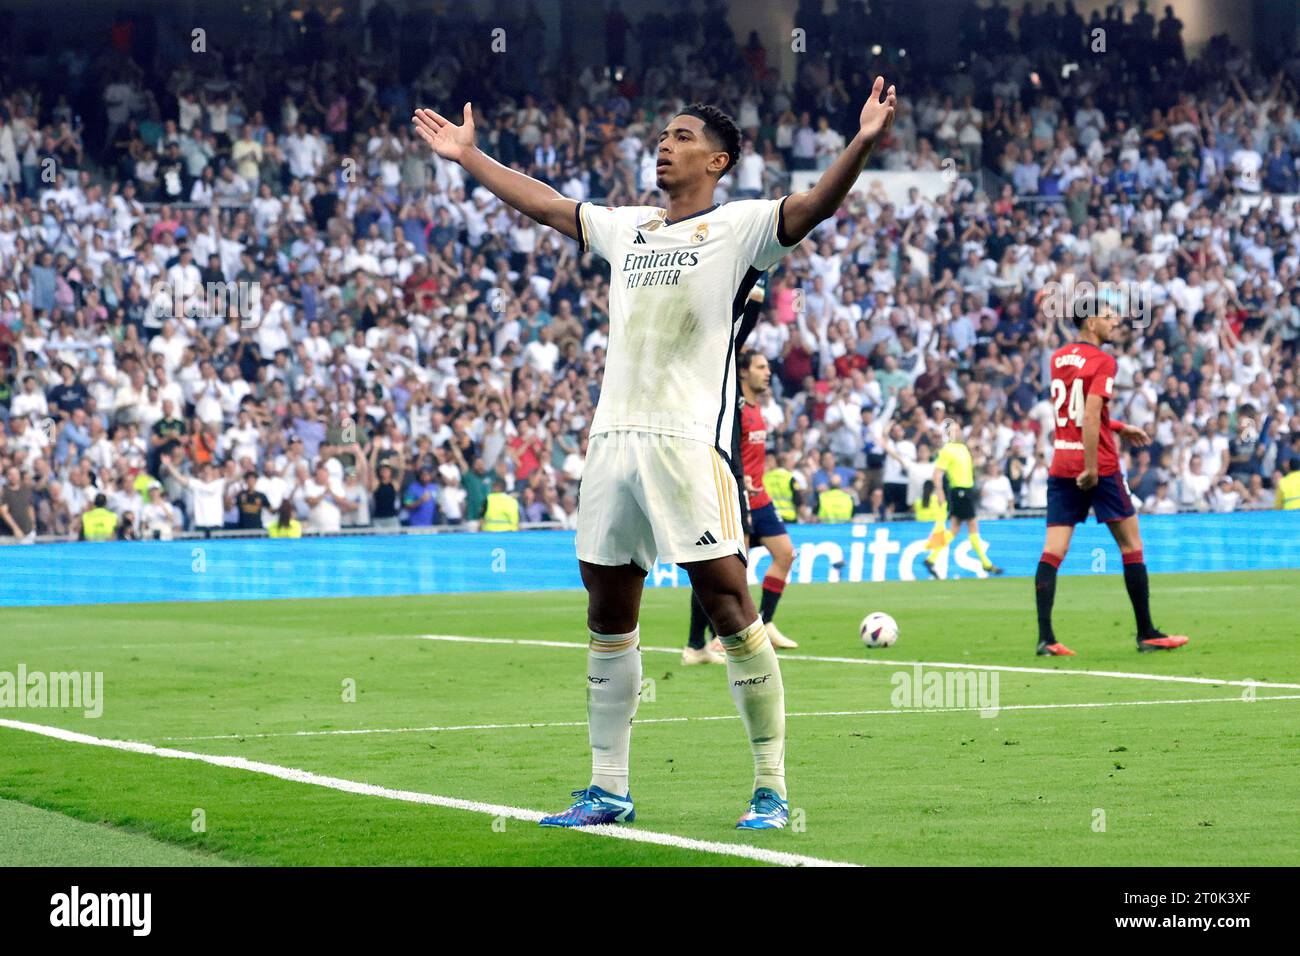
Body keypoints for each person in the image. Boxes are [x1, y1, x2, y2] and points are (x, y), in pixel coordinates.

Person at [413, 74, 897, 831]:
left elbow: (814, 207)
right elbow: (548, 204)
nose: (664, 146)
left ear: (718, 161)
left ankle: (770, 788)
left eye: (682, 138)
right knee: (608, 613)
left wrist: (861, 143)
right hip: (612, 442)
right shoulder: (629, 228)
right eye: (663, 136)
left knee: (730, 604)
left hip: (687, 444)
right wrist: (471, 157)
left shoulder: (740, 227)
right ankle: (608, 788)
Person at [1035, 295, 1189, 656]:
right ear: (1091, 323)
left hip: (1062, 463)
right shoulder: (1104, 361)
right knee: (1131, 546)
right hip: (1099, 466)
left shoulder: (1058, 358)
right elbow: (1089, 415)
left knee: (1053, 551)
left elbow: (1072, 411)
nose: (1115, 321)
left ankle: (1046, 638)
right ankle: (1146, 633)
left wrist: (1117, 426)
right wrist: (1091, 467)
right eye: (1107, 316)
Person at [684, 347, 799, 665]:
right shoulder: (732, 410)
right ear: (743, 372)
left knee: (785, 554)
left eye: (767, 367)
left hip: (760, 497)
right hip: (736, 495)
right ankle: (706, 641)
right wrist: (737, 476)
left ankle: (765, 621)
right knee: (729, 570)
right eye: (760, 367)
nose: (768, 372)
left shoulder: (757, 408)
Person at [925, 418, 1003, 578]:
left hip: (967, 491)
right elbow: (937, 473)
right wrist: (939, 493)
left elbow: (967, 467)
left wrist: (979, 454)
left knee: (954, 529)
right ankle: (986, 563)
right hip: (959, 491)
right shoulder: (947, 450)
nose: (958, 432)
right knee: (972, 525)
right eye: (955, 430)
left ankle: (931, 558)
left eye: (958, 429)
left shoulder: (962, 448)